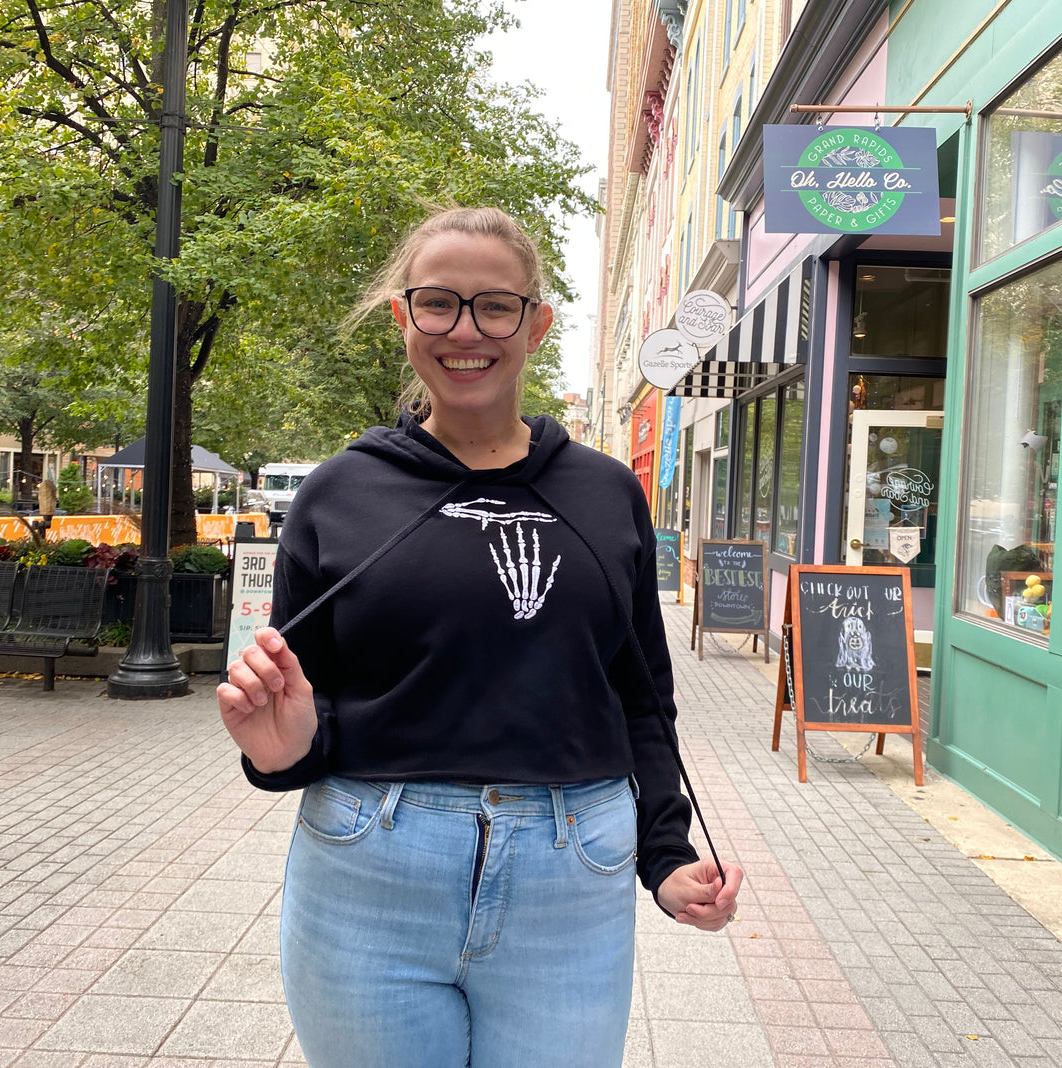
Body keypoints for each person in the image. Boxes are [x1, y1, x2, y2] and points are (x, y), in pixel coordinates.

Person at [217, 206, 742, 1067]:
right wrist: (281, 755)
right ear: (404, 318)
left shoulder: (606, 492)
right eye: (438, 303)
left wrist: (665, 854)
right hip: (370, 866)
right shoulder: (339, 493)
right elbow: (297, 709)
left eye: (495, 306)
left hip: (571, 874)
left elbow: (643, 692)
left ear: (536, 322)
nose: (466, 331)